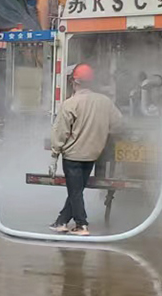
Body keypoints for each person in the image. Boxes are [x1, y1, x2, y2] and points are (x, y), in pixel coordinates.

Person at [49, 63, 123, 236]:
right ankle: (61, 221)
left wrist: (54, 156)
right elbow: (118, 123)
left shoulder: (70, 104)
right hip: (93, 154)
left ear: (75, 82)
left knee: (75, 191)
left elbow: (60, 132)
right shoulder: (105, 102)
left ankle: (81, 225)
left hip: (73, 156)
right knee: (77, 190)